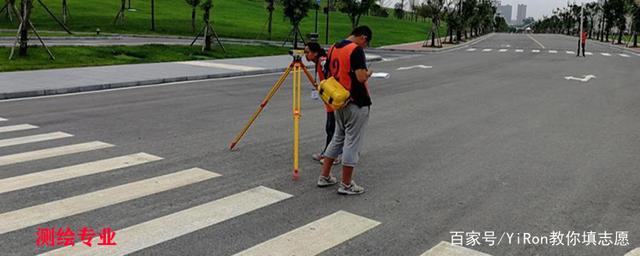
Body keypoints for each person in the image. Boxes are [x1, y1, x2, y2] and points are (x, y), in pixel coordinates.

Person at [317, 26, 373, 195]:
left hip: (339, 101)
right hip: (356, 101)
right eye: (366, 43)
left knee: (338, 138)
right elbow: (361, 77)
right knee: (352, 143)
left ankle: (324, 176)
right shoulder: (355, 50)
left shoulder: (334, 47)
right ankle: (346, 184)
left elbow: (328, 72)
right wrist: (369, 72)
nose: (365, 46)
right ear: (362, 37)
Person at [304, 42, 341, 166]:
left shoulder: (322, 61)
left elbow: (331, 77)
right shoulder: (318, 62)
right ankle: (328, 152)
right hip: (328, 100)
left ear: (315, 53)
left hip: (333, 99)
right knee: (330, 128)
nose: (305, 55)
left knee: (331, 128)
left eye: (307, 52)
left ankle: (332, 155)